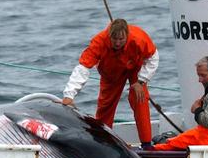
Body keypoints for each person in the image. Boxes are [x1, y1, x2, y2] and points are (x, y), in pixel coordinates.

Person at [62, 18, 159, 149]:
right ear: (109, 35)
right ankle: (104, 142)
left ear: (127, 35)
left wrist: (141, 81)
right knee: (105, 105)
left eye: (121, 39)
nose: (118, 43)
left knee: (139, 98)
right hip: (111, 71)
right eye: (114, 39)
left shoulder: (139, 38)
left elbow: (153, 57)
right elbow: (83, 68)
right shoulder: (99, 42)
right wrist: (69, 95)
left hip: (135, 67)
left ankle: (147, 144)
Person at [153, 56, 208, 151]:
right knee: (173, 140)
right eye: (198, 75)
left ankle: (151, 152)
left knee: (164, 145)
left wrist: (197, 109)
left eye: (203, 75)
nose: (199, 80)